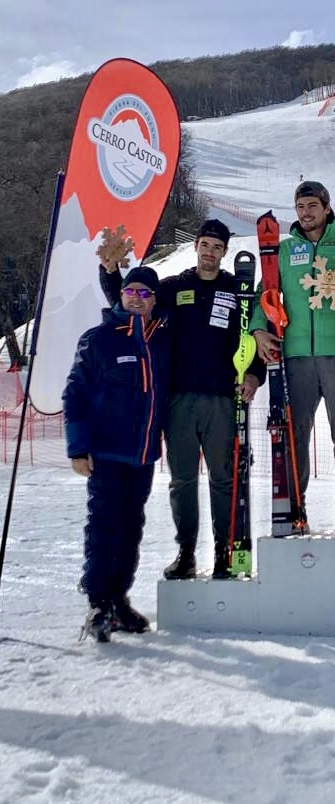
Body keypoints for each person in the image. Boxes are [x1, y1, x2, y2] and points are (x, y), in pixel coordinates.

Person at [100, 219, 265, 581]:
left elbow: (252, 337)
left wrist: (255, 374)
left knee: (225, 480)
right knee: (182, 480)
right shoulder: (174, 288)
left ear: (224, 252)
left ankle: (226, 551)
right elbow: (131, 303)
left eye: (217, 247)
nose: (210, 252)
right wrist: (111, 272)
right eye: (205, 244)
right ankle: (186, 552)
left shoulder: (238, 290)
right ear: (197, 247)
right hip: (179, 400)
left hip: (224, 399)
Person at [250, 180, 335, 536]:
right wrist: (258, 330)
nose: (306, 213)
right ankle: (297, 510)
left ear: (327, 208)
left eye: (312, 206)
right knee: (296, 435)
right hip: (296, 358)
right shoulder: (283, 250)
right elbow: (264, 296)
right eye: (300, 207)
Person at [63, 266, 169, 642]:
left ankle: (119, 600)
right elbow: (75, 394)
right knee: (104, 526)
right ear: (121, 295)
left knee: (131, 528)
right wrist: (78, 448)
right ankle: (98, 603)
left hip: (142, 456)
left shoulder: (160, 340)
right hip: (107, 452)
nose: (137, 298)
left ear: (154, 301)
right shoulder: (99, 339)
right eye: (131, 292)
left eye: (145, 294)